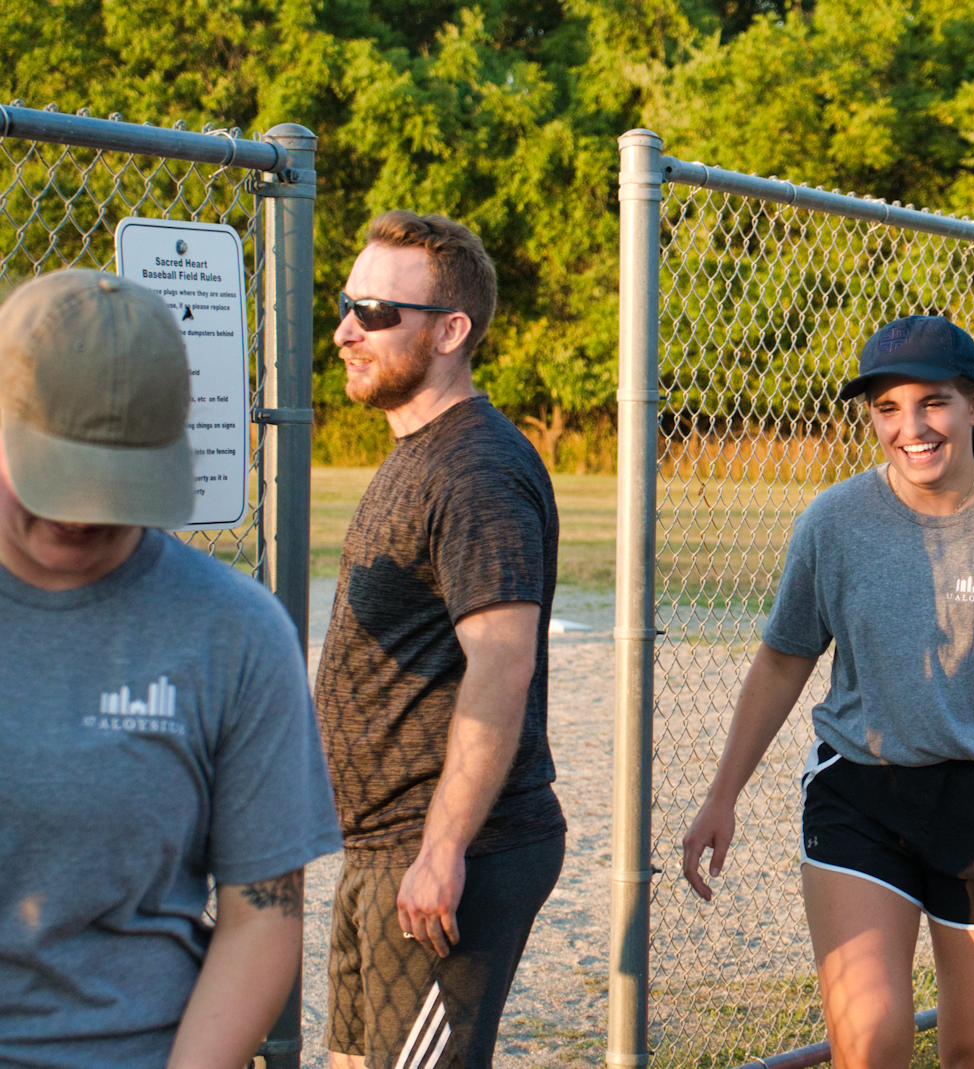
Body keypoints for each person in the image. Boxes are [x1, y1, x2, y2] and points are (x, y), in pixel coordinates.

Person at [681, 315, 974, 1069]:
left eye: (932, 402)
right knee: (870, 1041)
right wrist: (722, 792)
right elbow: (781, 662)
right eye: (887, 408)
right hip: (859, 796)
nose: (910, 427)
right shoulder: (834, 522)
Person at [0, 269, 341, 1067]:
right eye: (54, 478)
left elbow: (263, 911)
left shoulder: (233, 629)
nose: (81, 515)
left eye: (112, 486)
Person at [316, 211, 565, 1069]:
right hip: (382, 849)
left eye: (376, 312)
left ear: (451, 331)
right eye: (347, 304)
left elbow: (502, 663)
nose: (346, 330)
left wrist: (444, 849)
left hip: (448, 856)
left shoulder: (478, 471)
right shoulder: (419, 451)